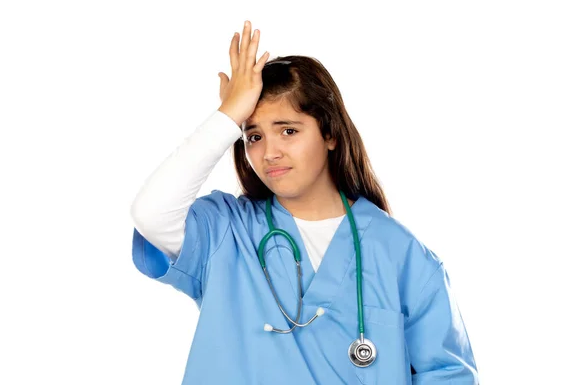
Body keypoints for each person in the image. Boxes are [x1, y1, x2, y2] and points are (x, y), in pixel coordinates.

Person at [130, 20, 479, 384]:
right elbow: (151, 214)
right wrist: (229, 115)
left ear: (329, 133)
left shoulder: (402, 254)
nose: (269, 153)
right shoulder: (225, 232)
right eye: (253, 136)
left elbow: (448, 375)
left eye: (289, 131)